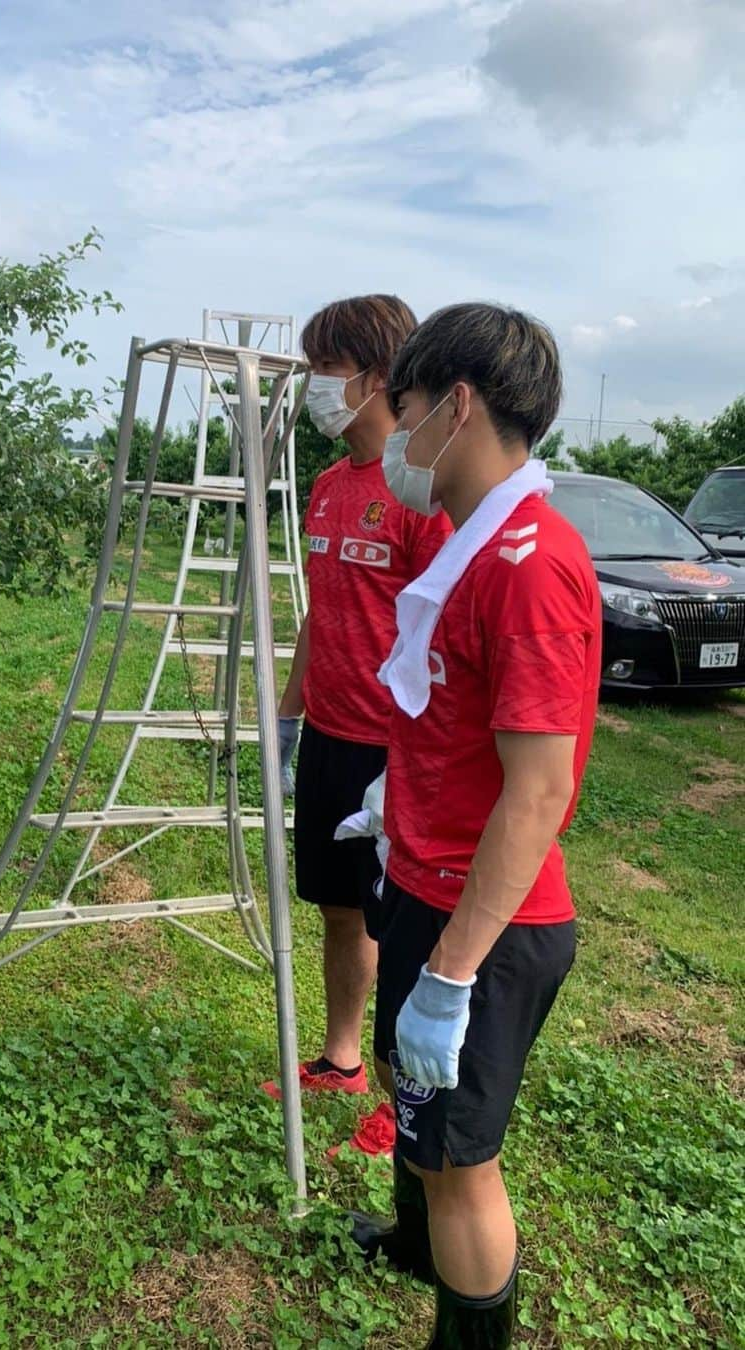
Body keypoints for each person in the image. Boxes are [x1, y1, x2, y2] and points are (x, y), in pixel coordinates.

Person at [354, 305, 601, 1347]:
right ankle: (416, 1251)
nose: (393, 433)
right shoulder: (473, 544)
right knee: (422, 1130)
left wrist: (452, 975)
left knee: (462, 1163)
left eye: (401, 405)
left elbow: (539, 793)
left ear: (455, 406)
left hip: (481, 931)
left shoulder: (528, 563)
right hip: (423, 885)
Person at [262, 296, 450, 1161]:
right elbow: (322, 615)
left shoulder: (421, 495)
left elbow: (444, 634)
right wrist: (289, 713)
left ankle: (397, 1094)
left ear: (375, 377)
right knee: (341, 908)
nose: (312, 386)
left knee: (401, 923)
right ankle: (342, 1059)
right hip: (332, 733)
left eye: (322, 368)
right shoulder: (330, 486)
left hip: (396, 748)